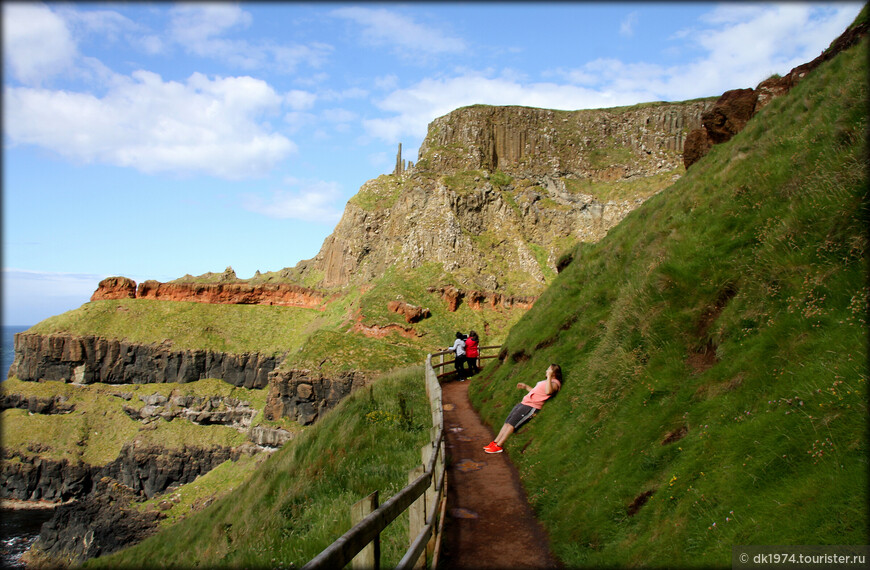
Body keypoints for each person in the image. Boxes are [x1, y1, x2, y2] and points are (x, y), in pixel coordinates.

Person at [484, 364, 562, 453]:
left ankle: (499, 446)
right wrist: (526, 387)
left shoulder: (555, 383)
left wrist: (549, 376)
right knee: (507, 422)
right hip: (524, 403)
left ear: (554, 372)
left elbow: (548, 392)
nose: (547, 370)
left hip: (531, 406)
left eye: (549, 369)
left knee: (511, 424)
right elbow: (537, 392)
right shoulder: (549, 381)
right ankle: (495, 442)